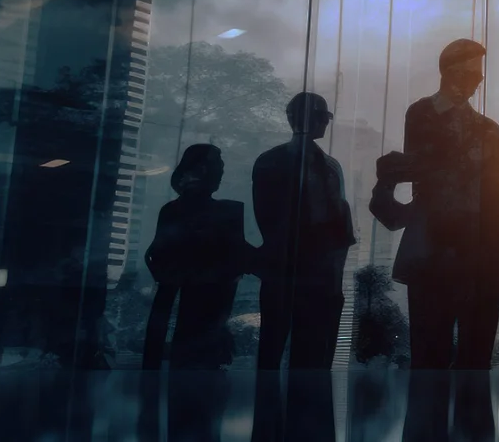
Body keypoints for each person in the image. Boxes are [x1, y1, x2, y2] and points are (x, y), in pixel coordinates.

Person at [391, 38, 499, 372]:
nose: (475, 82)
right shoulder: (421, 114)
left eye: (477, 75)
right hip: (435, 249)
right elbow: (421, 172)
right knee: (430, 353)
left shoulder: (490, 130)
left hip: (479, 254)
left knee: (475, 355)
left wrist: (495, 246)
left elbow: (493, 194)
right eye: (468, 73)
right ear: (449, 72)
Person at [252, 92, 355, 370]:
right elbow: (268, 219)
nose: (324, 123)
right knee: (279, 351)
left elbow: (340, 228)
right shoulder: (274, 162)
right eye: (321, 117)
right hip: (292, 270)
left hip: (313, 274)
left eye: (325, 117)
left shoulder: (327, 167)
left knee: (308, 357)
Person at [144, 143, 249, 370]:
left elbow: (164, 293)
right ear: (201, 170)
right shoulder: (223, 213)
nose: (222, 170)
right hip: (202, 330)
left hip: (202, 330)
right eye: (217, 164)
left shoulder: (176, 212)